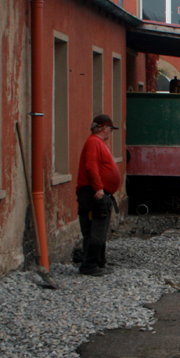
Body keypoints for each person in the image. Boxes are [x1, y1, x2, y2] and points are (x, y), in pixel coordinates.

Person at [76, 114, 122, 276]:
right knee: (95, 230)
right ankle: (89, 265)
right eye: (110, 129)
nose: (110, 132)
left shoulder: (97, 143)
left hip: (97, 192)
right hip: (93, 193)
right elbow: (91, 167)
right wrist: (98, 189)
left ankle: (99, 263)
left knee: (100, 230)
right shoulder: (94, 142)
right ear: (104, 128)